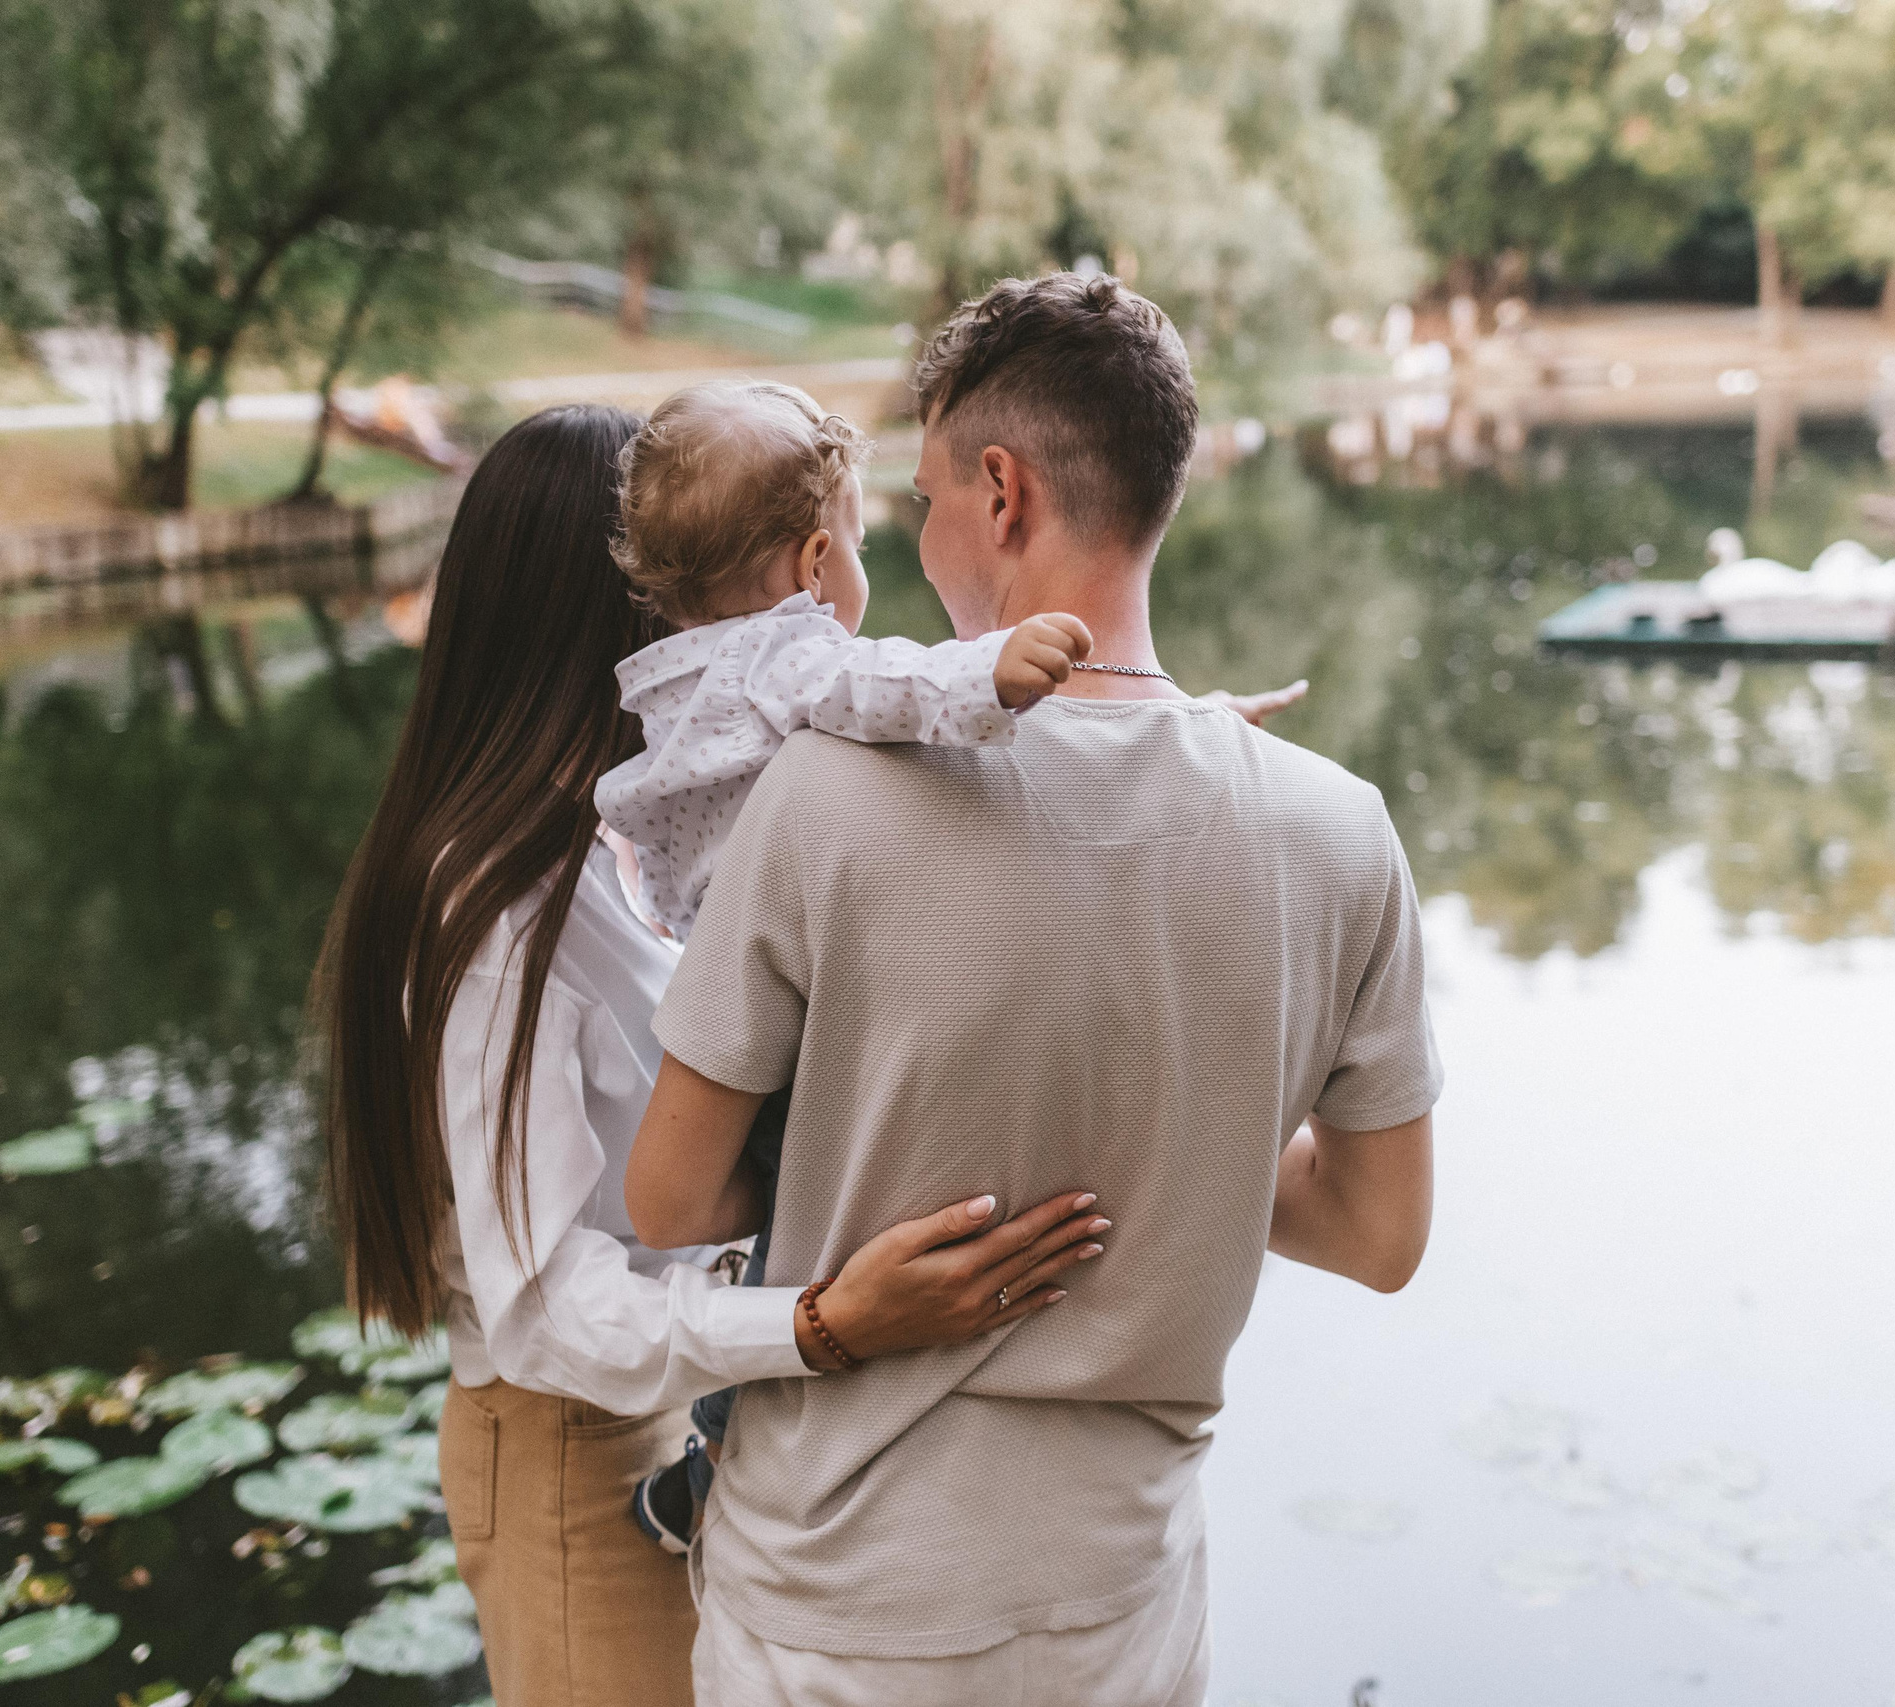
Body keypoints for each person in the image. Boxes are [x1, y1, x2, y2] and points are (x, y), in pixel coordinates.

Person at [625, 274, 1442, 1705]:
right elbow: (1379, 1234)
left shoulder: (819, 795)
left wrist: (904, 1144)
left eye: (927, 498)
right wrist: (1165, 1123)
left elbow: (673, 1198)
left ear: (1000, 494)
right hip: (1124, 1615)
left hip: (836, 1619)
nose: (912, 535)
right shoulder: (1338, 830)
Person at [309, 402, 1110, 1707]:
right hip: (580, 1454)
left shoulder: (630, 840)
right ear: (615, 609)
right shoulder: (491, 910)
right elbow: (541, 1305)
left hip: (689, 1415)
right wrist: (821, 1325)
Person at [593, 378, 1309, 1551]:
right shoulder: (784, 663)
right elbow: (885, 685)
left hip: (741, 989)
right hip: (792, 1014)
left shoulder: (678, 674)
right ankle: (714, 1457)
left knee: (785, 1238)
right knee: (818, 1240)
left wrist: (1189, 718)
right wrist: (994, 670)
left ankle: (710, 1461)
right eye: (865, 538)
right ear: (815, 563)